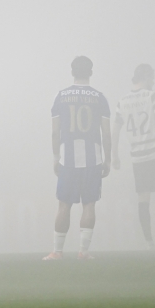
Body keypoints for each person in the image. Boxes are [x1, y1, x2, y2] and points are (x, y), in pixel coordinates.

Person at [43, 56, 111, 260]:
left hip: (68, 159)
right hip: (93, 158)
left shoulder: (61, 96)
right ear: (91, 72)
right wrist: (108, 159)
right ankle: (84, 251)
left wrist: (56, 157)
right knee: (89, 204)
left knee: (64, 204)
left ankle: (57, 251)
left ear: (72, 71)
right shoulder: (99, 97)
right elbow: (106, 134)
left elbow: (55, 133)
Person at [111, 64, 155, 250]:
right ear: (145, 76)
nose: (153, 81)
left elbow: (116, 130)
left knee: (144, 199)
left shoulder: (122, 101)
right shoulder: (152, 96)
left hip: (138, 158)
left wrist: (115, 155)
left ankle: (148, 242)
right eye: (152, 77)